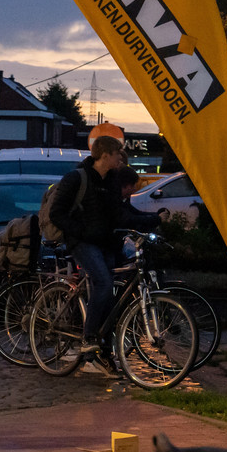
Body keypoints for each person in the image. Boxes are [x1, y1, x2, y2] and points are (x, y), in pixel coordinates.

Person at [45, 135, 160, 357]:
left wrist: (151, 218)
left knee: (110, 297)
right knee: (104, 284)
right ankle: (88, 338)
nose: (120, 158)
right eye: (117, 154)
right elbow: (56, 213)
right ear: (105, 155)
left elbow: (120, 213)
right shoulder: (76, 178)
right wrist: (80, 231)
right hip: (82, 242)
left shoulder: (111, 182)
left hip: (105, 243)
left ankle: (105, 353)